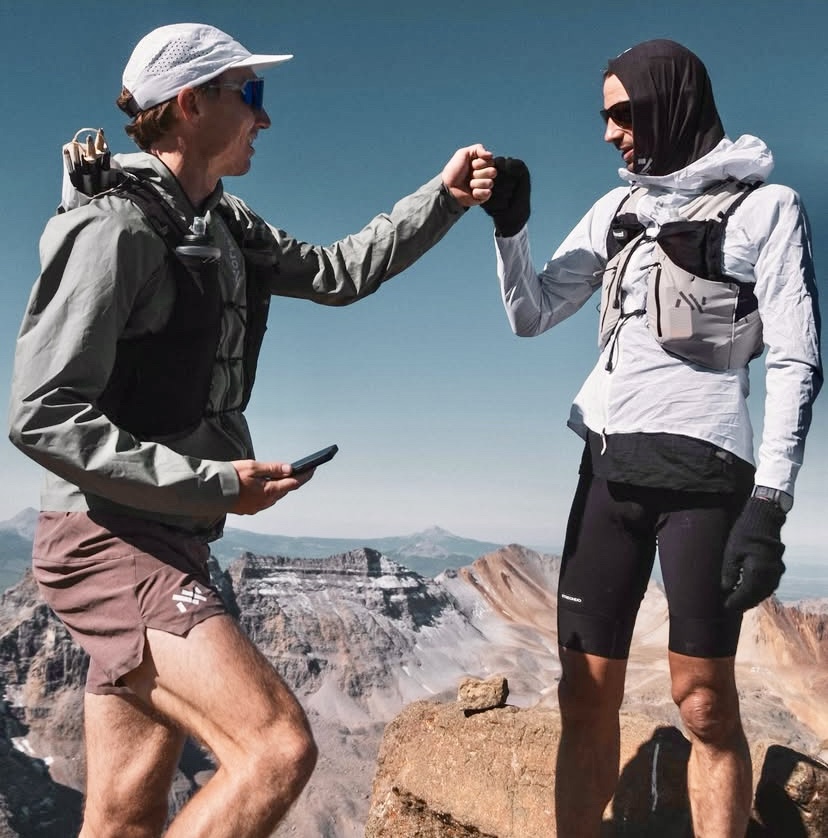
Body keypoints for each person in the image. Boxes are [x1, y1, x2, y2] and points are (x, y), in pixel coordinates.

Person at [8, 22, 496, 838]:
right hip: (107, 539)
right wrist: (218, 483)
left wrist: (441, 198)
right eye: (252, 95)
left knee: (125, 815)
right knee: (276, 748)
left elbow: (340, 273)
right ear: (191, 104)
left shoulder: (226, 226)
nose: (265, 119)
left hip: (169, 537)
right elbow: (42, 414)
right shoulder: (113, 231)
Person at [482, 39, 821, 837]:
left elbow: (799, 360)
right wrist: (511, 227)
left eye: (623, 114)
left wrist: (769, 506)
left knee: (703, 705)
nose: (609, 134)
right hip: (607, 473)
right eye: (605, 117)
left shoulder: (767, 210)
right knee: (582, 696)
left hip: (708, 483)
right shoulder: (616, 212)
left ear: (672, 103)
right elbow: (530, 314)